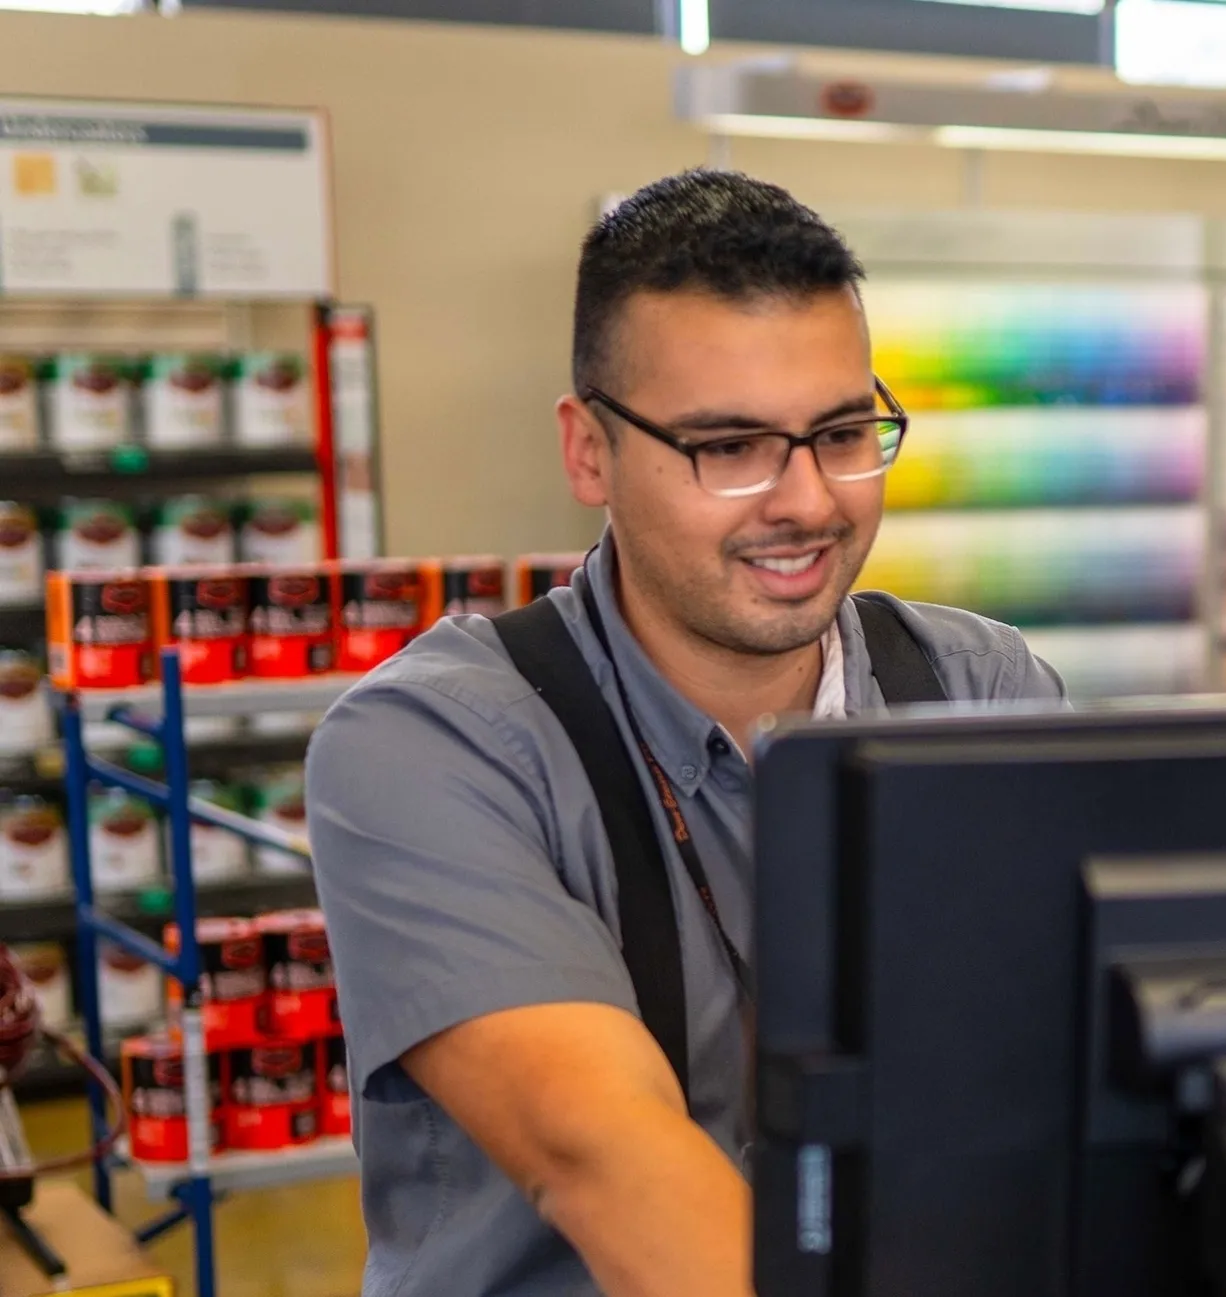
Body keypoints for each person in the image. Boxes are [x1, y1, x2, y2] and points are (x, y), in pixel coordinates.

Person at [306, 170, 1062, 1297]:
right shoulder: (437, 746)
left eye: (842, 431)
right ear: (589, 452)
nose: (806, 501)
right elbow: (600, 1151)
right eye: (728, 447)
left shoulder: (979, 691)